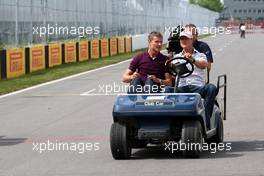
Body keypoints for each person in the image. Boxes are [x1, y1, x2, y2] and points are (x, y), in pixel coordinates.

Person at [164, 31, 217, 129]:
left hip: (197, 88)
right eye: (181, 39)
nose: (183, 41)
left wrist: (193, 60)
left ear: (191, 40)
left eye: (186, 39)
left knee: (211, 88)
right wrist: (170, 66)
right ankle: (171, 121)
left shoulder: (200, 55)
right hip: (181, 88)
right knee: (167, 90)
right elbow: (172, 72)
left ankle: (206, 118)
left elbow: (203, 65)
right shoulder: (176, 57)